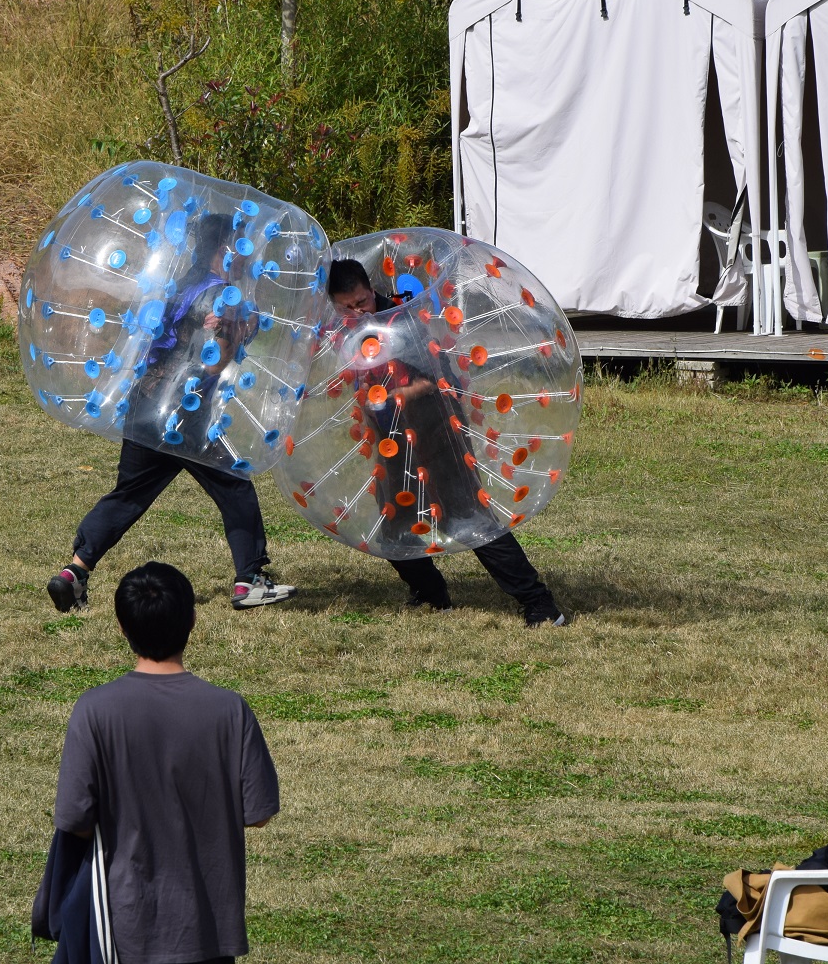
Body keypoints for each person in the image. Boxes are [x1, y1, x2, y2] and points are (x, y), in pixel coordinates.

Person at [52, 214, 296, 613]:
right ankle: (249, 580)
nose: (244, 255)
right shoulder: (224, 297)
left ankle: (74, 572)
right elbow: (215, 365)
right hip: (185, 414)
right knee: (234, 485)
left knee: (129, 494)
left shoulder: (180, 285)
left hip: (143, 403)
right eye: (239, 245)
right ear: (225, 248)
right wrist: (236, 333)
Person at [52, 562, 280, 964]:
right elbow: (258, 814)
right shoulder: (230, 710)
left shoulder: (94, 710)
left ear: (122, 627)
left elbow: (74, 818)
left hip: (122, 929)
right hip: (209, 929)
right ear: (192, 621)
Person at [327, 257, 568, 628]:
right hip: (393, 435)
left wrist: (393, 397)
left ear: (371, 289)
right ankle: (430, 593)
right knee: (395, 521)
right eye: (348, 308)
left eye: (362, 302)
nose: (359, 312)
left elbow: (433, 381)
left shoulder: (403, 323)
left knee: (467, 515)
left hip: (437, 425)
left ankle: (539, 603)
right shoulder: (347, 332)